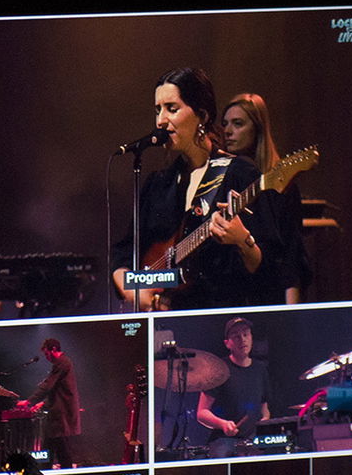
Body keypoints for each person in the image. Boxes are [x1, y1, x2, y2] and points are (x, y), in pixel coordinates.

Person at [113, 67, 281, 310]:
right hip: (162, 319)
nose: (161, 120)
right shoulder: (159, 183)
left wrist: (243, 240)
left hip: (218, 318)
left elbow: (271, 269)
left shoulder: (240, 174)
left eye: (172, 108)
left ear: (202, 116)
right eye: (158, 110)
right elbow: (123, 254)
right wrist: (134, 292)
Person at [220, 93, 310, 302]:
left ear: (258, 129)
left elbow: (291, 257)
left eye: (238, 123)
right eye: (225, 124)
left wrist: (291, 314)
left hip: (267, 295)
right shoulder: (218, 179)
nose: (227, 131)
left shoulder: (282, 188)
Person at [195, 317, 273, 458]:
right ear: (227, 343)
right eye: (236, 336)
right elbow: (202, 413)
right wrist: (223, 424)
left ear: (251, 338)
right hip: (224, 440)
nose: (242, 339)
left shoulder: (260, 369)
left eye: (245, 334)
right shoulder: (218, 370)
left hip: (253, 438)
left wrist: (264, 423)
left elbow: (264, 410)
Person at [24, 337, 81, 468]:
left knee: (61, 450)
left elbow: (48, 386)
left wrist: (29, 401)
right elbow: (57, 390)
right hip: (58, 413)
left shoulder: (62, 362)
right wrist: (42, 403)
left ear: (53, 349)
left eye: (46, 354)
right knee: (50, 447)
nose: (46, 358)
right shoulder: (62, 363)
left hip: (61, 414)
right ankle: (46, 472)